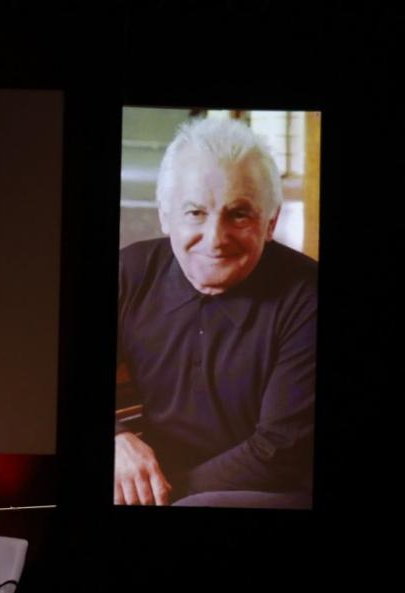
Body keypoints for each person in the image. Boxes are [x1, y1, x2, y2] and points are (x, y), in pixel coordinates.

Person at [116, 117, 317, 508]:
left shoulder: (307, 296)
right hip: (155, 481)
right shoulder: (130, 272)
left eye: (238, 214)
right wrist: (117, 438)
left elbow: (278, 451)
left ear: (270, 222)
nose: (215, 240)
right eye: (195, 213)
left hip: (271, 489)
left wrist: (157, 492)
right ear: (165, 215)